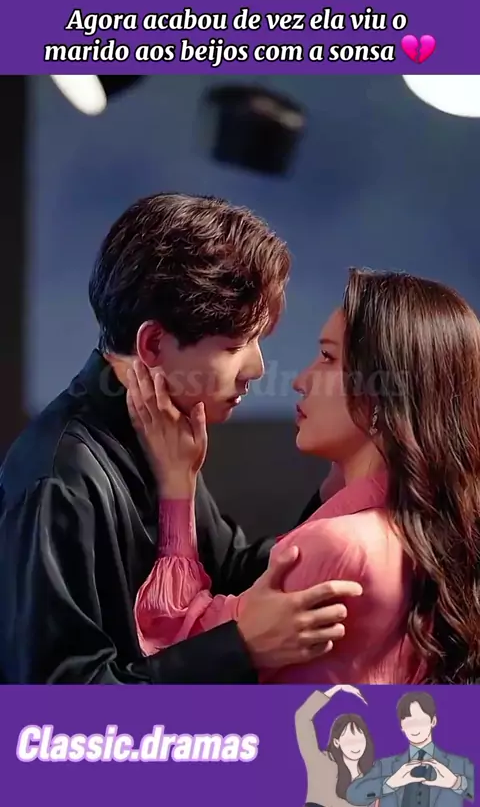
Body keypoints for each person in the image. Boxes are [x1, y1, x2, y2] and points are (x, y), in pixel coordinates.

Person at [0, 193, 360, 685]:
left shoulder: (159, 432)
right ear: (152, 344)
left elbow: (231, 568)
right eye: (235, 345)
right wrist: (241, 645)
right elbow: (57, 707)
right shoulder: (60, 476)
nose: (257, 368)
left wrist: (348, 484)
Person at [127, 267, 480, 684]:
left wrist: (176, 483)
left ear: (381, 394)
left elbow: (172, 636)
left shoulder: (339, 546)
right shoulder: (429, 532)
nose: (300, 380)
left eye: (328, 358)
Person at [346, 691, 474, 805]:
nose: (415, 727)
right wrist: (391, 783)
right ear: (401, 726)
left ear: (433, 721)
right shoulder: (385, 766)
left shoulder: (459, 764)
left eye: (420, 720)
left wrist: (456, 783)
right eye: (409, 721)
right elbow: (353, 794)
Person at [295, 683, 374, 807]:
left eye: (360, 739)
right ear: (337, 742)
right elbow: (302, 718)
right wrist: (337, 689)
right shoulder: (321, 763)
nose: (355, 746)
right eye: (349, 740)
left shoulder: (370, 776)